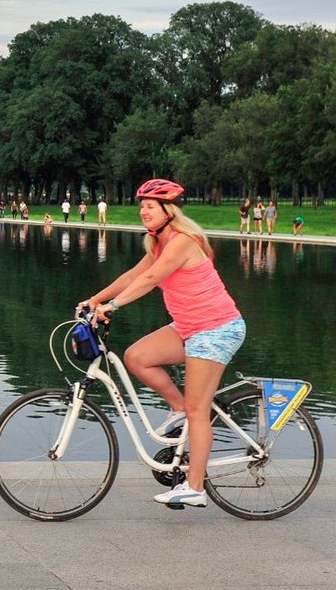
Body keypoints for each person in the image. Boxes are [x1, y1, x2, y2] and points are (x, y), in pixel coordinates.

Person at [80, 178, 245, 510]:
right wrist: (94, 300)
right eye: (141, 206)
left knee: (200, 410)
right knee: (137, 357)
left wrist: (113, 307)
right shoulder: (157, 243)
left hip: (215, 330)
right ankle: (177, 407)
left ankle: (194, 487)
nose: (143, 212)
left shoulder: (182, 242)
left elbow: (152, 280)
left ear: (169, 212)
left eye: (150, 207)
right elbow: (134, 275)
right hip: (187, 327)